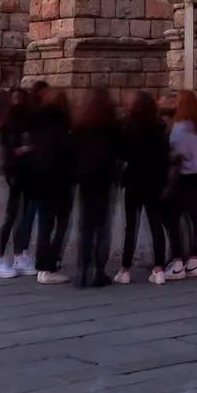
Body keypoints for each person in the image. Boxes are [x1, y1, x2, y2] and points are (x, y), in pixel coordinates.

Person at [117, 91, 171, 285]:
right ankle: (158, 269)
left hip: (134, 182)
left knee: (131, 226)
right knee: (156, 224)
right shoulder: (159, 128)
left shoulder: (129, 128)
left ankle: (125, 270)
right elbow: (165, 157)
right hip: (154, 181)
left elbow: (123, 154)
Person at [69, 88, 120, 289]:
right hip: (105, 179)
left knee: (85, 226)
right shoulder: (113, 124)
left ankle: (83, 270)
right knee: (103, 225)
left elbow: (71, 152)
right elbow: (120, 150)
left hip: (85, 179)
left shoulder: (80, 124)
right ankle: (99, 270)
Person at [27, 88, 73, 284]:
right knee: (61, 225)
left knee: (45, 225)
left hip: (40, 179)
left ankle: (41, 266)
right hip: (59, 181)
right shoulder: (62, 124)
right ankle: (49, 266)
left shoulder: (38, 121)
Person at [0, 89, 35, 279]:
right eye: (15, 99)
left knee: (21, 216)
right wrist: (27, 148)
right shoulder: (8, 123)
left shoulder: (20, 119)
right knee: (11, 216)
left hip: (21, 172)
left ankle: (18, 256)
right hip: (14, 172)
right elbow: (12, 149)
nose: (18, 102)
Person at [164, 90, 197, 280]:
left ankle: (177, 263)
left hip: (184, 176)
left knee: (174, 217)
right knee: (196, 217)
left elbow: (174, 153)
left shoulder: (179, 128)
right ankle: (194, 261)